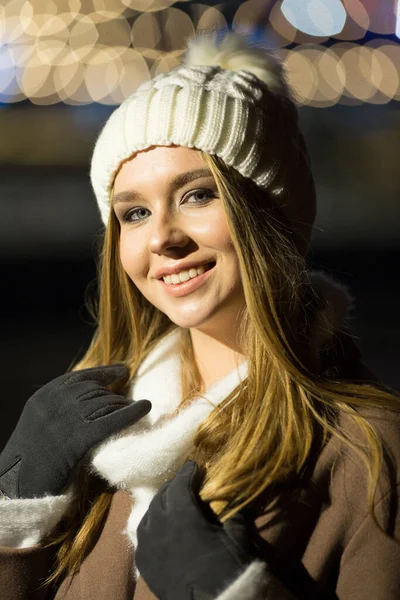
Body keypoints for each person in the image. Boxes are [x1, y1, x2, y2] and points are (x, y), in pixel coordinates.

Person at [0, 30, 399, 600]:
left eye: (197, 195)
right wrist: (14, 522)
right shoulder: (94, 433)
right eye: (134, 212)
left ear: (272, 214)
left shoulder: (367, 452)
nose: (161, 237)